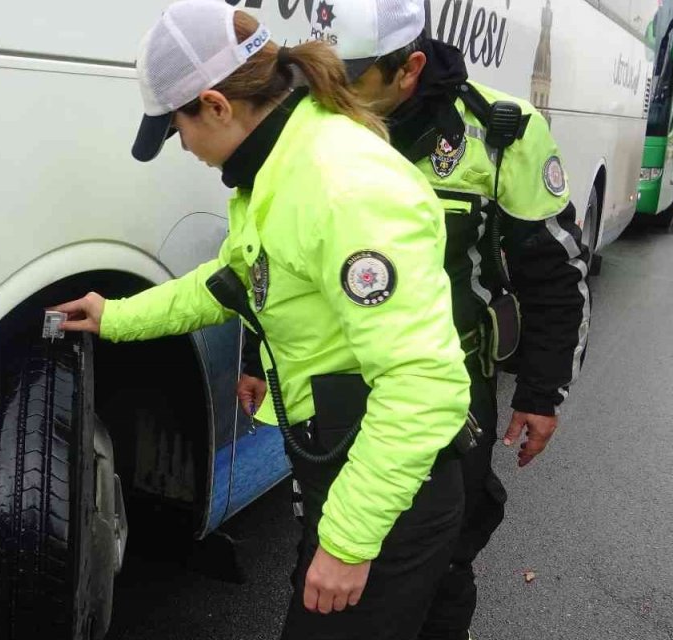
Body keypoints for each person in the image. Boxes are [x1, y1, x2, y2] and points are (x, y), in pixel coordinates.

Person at [53, 1, 471, 635]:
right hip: (349, 467)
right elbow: (227, 284)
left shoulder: (342, 185)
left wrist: (348, 543)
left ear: (217, 106)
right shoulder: (278, 171)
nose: (184, 146)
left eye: (178, 129)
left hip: (390, 496)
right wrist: (113, 316)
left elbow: (424, 385)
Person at [239, 1, 591, 637]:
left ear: (411, 67)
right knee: (324, 548)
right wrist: (254, 359)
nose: (329, 94)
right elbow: (268, 256)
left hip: (449, 387)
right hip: (333, 389)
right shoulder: (308, 120)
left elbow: (556, 273)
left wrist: (542, 394)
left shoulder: (499, 131)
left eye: (350, 77)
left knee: (445, 559)